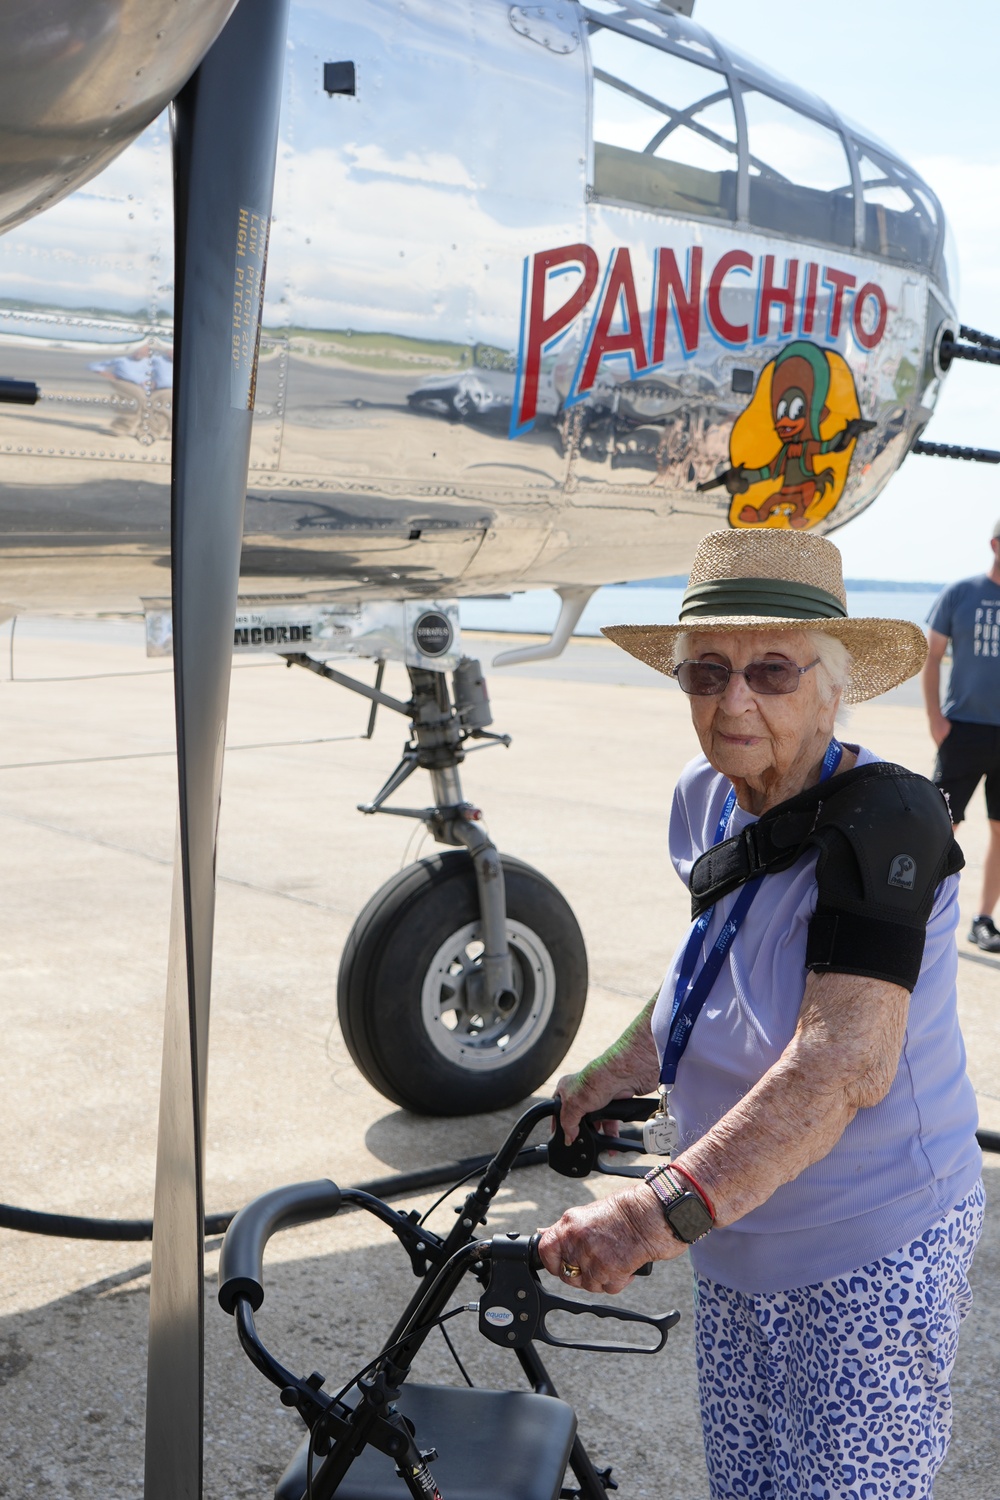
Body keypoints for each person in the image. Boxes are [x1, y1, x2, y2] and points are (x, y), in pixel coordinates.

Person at [538, 528, 982, 1500]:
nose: (733, 701)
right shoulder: (705, 799)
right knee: (748, 1481)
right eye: (706, 673)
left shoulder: (890, 826)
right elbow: (707, 969)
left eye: (771, 671)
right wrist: (613, 1067)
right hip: (734, 1230)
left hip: (866, 1244)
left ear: (833, 687)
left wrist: (646, 1218)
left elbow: (842, 1063)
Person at [923, 521, 1000, 951]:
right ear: (994, 545)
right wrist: (936, 718)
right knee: (941, 822)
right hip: (964, 727)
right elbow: (932, 657)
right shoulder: (962, 593)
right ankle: (921, 911)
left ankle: (983, 920)